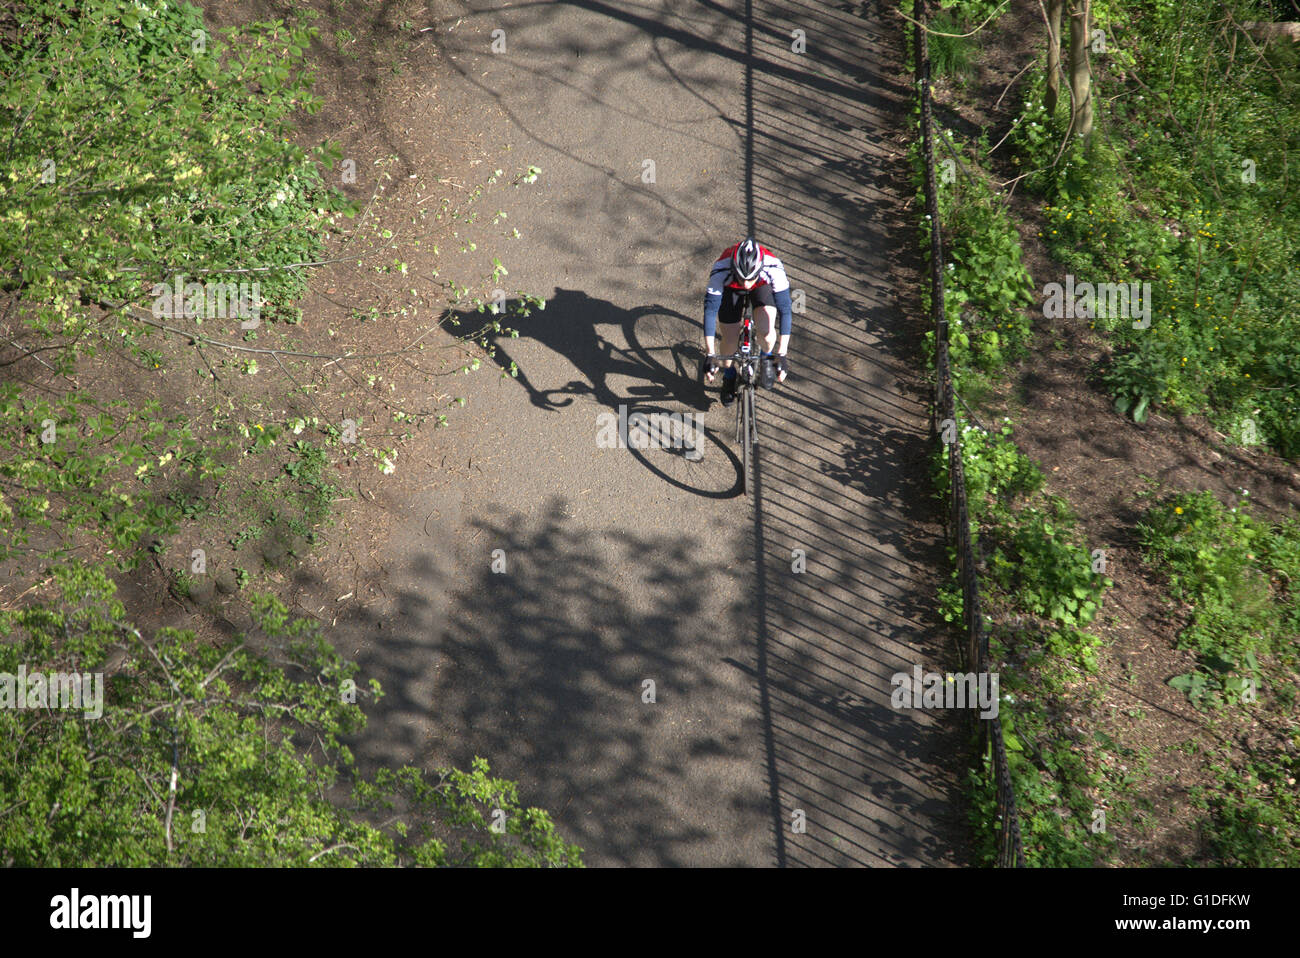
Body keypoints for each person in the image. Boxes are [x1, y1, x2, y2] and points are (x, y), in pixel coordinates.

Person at [701, 237, 791, 405]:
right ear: (734, 268)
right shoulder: (721, 269)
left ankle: (766, 358)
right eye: (743, 278)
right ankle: (729, 376)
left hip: (762, 286)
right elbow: (710, 311)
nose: (747, 284)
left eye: (751, 278)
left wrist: (783, 354)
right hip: (730, 288)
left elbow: (785, 310)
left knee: (767, 331)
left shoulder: (774, 268)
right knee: (729, 339)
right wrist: (710, 354)